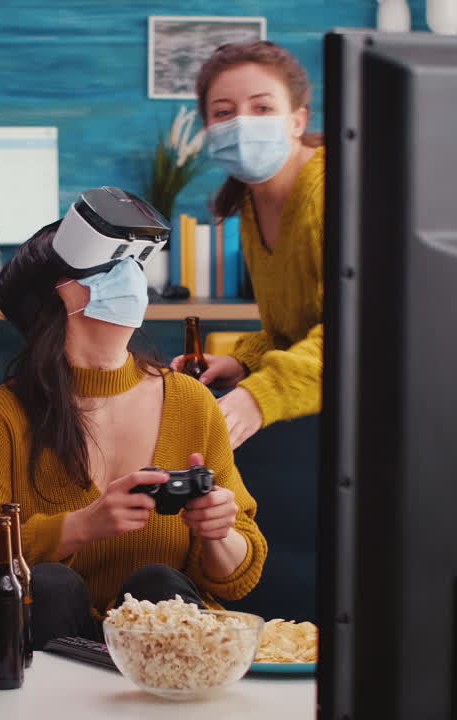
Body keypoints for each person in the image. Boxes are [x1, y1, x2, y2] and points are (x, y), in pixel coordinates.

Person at [0, 190, 267, 648]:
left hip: (158, 668)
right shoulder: (5, 415)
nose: (129, 277)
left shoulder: (190, 401)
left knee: (158, 587)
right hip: (36, 651)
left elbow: (238, 577)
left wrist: (219, 533)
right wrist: (79, 527)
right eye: (107, 264)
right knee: (50, 587)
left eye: (134, 263)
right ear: (51, 293)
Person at [171, 41, 325, 449]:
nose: (242, 124)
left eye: (262, 108)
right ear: (208, 129)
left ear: (297, 119)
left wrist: (260, 397)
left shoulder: (330, 193)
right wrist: (242, 362)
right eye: (224, 112)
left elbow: (363, 335)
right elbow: (294, 332)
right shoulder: (253, 205)